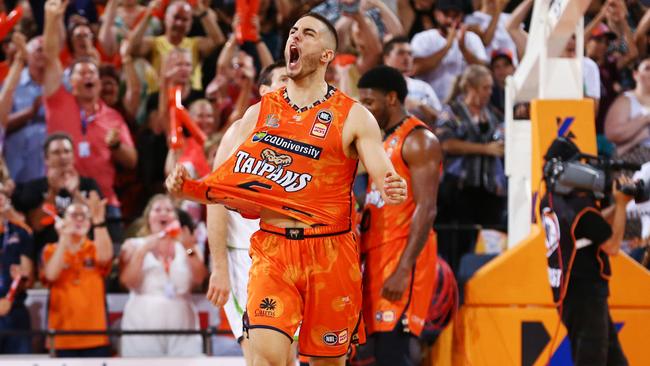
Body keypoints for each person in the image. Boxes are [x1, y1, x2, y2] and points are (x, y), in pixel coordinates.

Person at [166, 12, 408, 366]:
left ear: (327, 54)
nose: (294, 37)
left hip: (330, 252)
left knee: (328, 362)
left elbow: (381, 170)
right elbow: (224, 183)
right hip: (273, 251)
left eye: (307, 33)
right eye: (292, 31)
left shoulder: (352, 115)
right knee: (265, 358)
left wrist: (391, 184)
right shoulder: (259, 113)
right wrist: (191, 188)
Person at [207, 60, 290, 365]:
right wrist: (219, 268)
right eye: (283, 79)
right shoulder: (241, 131)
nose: (291, 83)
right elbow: (214, 200)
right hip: (247, 257)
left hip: (295, 254)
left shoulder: (310, 133)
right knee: (262, 357)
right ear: (264, 90)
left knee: (291, 354)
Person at [357, 65, 441, 366]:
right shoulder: (382, 141)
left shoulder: (419, 140)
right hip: (379, 256)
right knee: (376, 354)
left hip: (403, 258)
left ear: (391, 98)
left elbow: (427, 208)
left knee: (396, 352)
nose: (364, 109)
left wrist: (404, 268)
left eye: (370, 102)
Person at [43, 0, 138, 244]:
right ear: (70, 81)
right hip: (62, 200)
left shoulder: (112, 116)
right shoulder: (57, 101)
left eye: (92, 73)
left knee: (109, 271)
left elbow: (132, 161)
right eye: (81, 73)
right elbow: (51, 56)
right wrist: (52, 19)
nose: (88, 76)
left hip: (104, 202)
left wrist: (117, 146)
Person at [540, 137, 630, 366]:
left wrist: (617, 205)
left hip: (569, 292)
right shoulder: (580, 208)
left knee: (614, 360)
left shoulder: (548, 201)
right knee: (592, 360)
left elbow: (591, 224)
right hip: (586, 292)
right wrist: (621, 204)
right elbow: (612, 245)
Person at [435, 64, 506, 272]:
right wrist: (485, 149)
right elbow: (445, 143)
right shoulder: (452, 112)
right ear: (472, 88)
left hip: (490, 190)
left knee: (491, 240)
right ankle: (455, 284)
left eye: (491, 88)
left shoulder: (494, 114)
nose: (490, 92)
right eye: (486, 87)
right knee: (457, 240)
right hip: (459, 188)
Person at [119, 194, 207, 357]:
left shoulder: (188, 246)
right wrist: (144, 249)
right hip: (142, 322)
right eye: (157, 209)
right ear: (148, 218)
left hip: (182, 324)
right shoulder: (133, 245)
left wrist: (188, 247)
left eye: (168, 210)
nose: (163, 213)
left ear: (176, 217)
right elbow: (127, 281)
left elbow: (199, 279)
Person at [41, 192, 113, 357]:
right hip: (61, 337)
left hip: (95, 337)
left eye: (84, 216)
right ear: (63, 220)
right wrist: (64, 239)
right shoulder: (51, 249)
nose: (79, 219)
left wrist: (99, 222)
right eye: (74, 215)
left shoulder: (95, 247)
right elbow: (51, 275)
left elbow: (105, 257)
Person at [12, 133, 103, 262]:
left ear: (73, 155)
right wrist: (53, 193)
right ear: (46, 159)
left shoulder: (89, 185)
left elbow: (97, 220)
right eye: (56, 152)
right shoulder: (33, 187)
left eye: (67, 151)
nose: (63, 157)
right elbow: (36, 225)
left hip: (85, 254)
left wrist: (75, 193)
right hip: (48, 255)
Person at [126, 0, 225, 92]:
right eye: (176, 17)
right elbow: (130, 49)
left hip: (189, 99)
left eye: (184, 19)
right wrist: (148, 15)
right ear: (166, 18)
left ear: (190, 23)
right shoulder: (153, 44)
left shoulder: (195, 44)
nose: (179, 23)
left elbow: (218, 42)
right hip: (161, 98)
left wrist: (202, 13)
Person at [410, 0, 488, 102]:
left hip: (462, 104)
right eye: (446, 14)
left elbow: (483, 71)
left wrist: (463, 49)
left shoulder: (471, 38)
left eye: (455, 15)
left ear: (462, 15)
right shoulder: (423, 38)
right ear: (436, 14)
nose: (451, 19)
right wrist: (447, 47)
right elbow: (415, 69)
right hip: (429, 102)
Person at [0, 33, 46, 184]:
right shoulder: (12, 85)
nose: (44, 54)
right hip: (18, 172)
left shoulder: (62, 84)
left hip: (51, 173)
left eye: (48, 50)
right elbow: (2, 122)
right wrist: (30, 113)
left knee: (58, 205)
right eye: (39, 50)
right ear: (29, 55)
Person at [0, 179, 34, 354]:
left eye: (1, 194)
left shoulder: (21, 232)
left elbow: (28, 278)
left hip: (13, 310)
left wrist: (21, 278)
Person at [382, 36, 441, 124]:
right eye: (400, 53)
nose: (407, 58)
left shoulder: (423, 87)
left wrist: (420, 105)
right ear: (386, 58)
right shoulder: (377, 89)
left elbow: (439, 119)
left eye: (410, 54)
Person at [605, 57, 650, 164]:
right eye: (647, 69)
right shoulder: (626, 100)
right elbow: (613, 134)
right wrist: (644, 120)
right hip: (633, 157)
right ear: (636, 75)